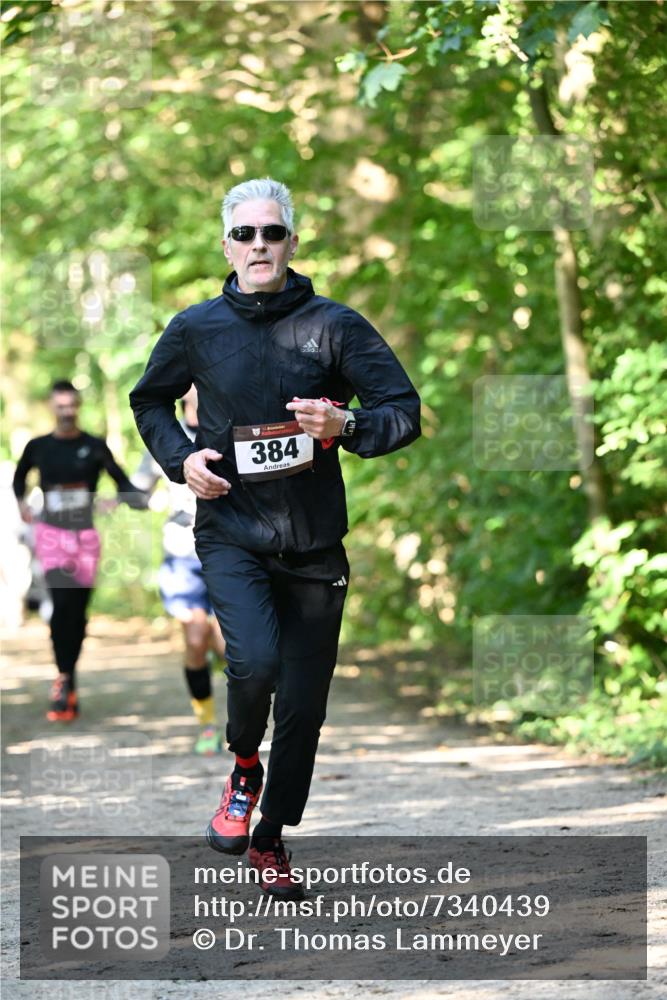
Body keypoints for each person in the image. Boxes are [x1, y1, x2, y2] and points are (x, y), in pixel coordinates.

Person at [130, 178, 420, 900]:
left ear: (292, 242)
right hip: (231, 530)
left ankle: (270, 835)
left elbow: (402, 411)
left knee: (303, 708)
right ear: (227, 246)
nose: (259, 244)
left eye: (272, 232)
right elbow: (150, 400)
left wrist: (347, 425)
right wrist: (182, 460)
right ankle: (241, 769)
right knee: (254, 663)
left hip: (315, 543)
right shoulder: (195, 328)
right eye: (245, 233)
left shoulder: (336, 326)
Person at [12, 380, 148, 721]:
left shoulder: (94, 446)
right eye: (60, 406)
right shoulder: (38, 447)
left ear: (78, 406)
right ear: (51, 407)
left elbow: (124, 483)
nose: (66, 412)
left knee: (77, 612)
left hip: (85, 538)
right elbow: (19, 479)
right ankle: (63, 679)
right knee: (61, 606)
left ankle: (69, 677)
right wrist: (22, 504)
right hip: (52, 536)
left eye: (71, 406)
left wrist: (121, 499)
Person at [134, 385, 227, 755]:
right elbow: (138, 490)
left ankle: (246, 724)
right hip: (182, 554)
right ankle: (207, 726)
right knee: (195, 638)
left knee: (229, 647)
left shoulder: (227, 429)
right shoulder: (165, 437)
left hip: (228, 550)